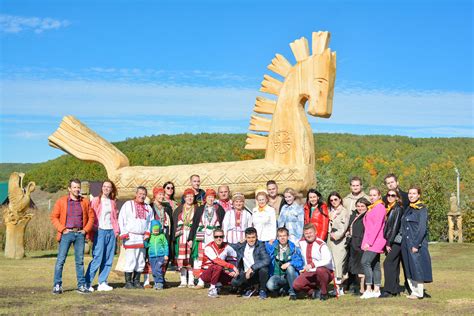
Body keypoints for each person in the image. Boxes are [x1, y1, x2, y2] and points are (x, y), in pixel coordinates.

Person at [50, 179, 94, 295]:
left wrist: (85, 230)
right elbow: (54, 217)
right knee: (60, 260)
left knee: (79, 261)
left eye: (78, 187)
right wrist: (63, 229)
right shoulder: (61, 201)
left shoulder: (85, 202)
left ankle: (81, 286)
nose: (77, 189)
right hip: (66, 234)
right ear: (69, 189)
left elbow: (91, 217)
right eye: (74, 187)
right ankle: (57, 285)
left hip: (80, 234)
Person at [85, 180, 120, 292]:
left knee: (108, 258)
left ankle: (102, 282)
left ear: (111, 189)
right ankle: (87, 282)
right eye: (104, 186)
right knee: (97, 258)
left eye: (108, 187)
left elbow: (114, 218)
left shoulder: (113, 202)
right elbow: (91, 215)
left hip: (110, 231)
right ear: (102, 188)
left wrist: (116, 231)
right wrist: (94, 227)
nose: (106, 188)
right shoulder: (96, 200)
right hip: (100, 231)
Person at [401, 186, 433, 300]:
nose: (411, 195)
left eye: (414, 193)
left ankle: (419, 293)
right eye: (410, 193)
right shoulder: (408, 208)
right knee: (408, 267)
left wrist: (416, 244)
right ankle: (413, 291)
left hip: (415, 243)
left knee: (416, 267)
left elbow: (422, 228)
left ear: (419, 195)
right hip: (405, 242)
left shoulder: (422, 208)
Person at [189, 189, 225, 287]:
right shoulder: (200, 209)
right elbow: (194, 224)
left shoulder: (219, 209)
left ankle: (215, 280)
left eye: (212, 197)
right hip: (202, 236)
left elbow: (222, 224)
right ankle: (200, 281)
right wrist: (190, 239)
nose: (210, 199)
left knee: (214, 257)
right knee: (199, 258)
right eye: (209, 197)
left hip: (214, 236)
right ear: (205, 198)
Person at [118, 186, 153, 289]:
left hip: (142, 237)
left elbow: (151, 222)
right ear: (136, 194)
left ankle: (136, 281)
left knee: (141, 259)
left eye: (144, 194)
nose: (142, 196)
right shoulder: (128, 205)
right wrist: (124, 232)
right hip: (130, 236)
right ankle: (128, 282)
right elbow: (121, 219)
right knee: (131, 259)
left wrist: (147, 232)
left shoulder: (148, 208)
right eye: (140, 194)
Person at [293, 224, 334, 300]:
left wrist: (313, 265)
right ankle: (313, 293)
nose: (308, 235)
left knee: (320, 270)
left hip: (325, 272)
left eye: (310, 233)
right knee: (296, 285)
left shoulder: (321, 244)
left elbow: (327, 260)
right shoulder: (301, 243)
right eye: (306, 233)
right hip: (309, 272)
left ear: (315, 232)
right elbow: (296, 253)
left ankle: (324, 293)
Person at [143, 187, 173, 288]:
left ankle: (161, 279)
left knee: (162, 257)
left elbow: (170, 222)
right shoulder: (149, 207)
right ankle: (146, 281)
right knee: (148, 256)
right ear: (155, 195)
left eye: (162, 194)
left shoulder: (167, 207)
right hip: (152, 235)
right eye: (159, 194)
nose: (161, 196)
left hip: (163, 234)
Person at [230, 227, 271, 299]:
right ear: (245, 238)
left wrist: (252, 268)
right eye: (248, 237)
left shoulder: (260, 245)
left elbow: (267, 260)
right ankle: (250, 288)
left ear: (257, 237)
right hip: (245, 272)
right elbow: (229, 245)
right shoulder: (241, 245)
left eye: (253, 237)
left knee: (264, 269)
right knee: (235, 282)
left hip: (256, 272)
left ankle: (262, 290)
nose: (251, 240)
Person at [360, 187, 386, 299]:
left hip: (376, 240)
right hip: (372, 240)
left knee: (365, 262)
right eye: (370, 195)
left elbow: (377, 226)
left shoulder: (379, 207)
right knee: (375, 264)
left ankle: (369, 288)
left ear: (379, 196)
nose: (372, 197)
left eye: (374, 195)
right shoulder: (372, 207)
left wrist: (369, 243)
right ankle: (377, 289)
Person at [265, 227, 304, 300]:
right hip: (276, 275)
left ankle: (293, 293)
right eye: (280, 236)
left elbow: (300, 262)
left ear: (288, 236)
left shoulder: (293, 247)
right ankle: (284, 289)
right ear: (277, 237)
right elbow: (260, 244)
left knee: (290, 268)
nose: (282, 238)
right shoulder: (272, 246)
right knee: (270, 285)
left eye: (284, 236)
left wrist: (290, 263)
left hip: (289, 275)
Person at [380, 189, 405, 298]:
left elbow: (394, 227)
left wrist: (388, 243)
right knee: (394, 264)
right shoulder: (390, 208)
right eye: (388, 195)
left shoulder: (397, 209)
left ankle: (388, 290)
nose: (390, 197)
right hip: (392, 240)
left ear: (397, 197)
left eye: (393, 195)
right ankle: (395, 289)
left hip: (395, 241)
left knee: (388, 263)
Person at [200, 228, 239, 298]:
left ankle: (219, 285)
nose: (219, 238)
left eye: (221, 236)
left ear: (223, 237)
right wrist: (232, 267)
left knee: (235, 277)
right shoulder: (208, 248)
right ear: (213, 237)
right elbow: (217, 261)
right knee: (217, 266)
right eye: (216, 237)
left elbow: (235, 257)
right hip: (207, 274)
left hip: (220, 271)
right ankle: (212, 288)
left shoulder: (227, 247)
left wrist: (232, 271)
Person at [327, 191, 350, 295]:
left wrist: (337, 236)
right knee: (333, 264)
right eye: (331, 200)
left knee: (339, 263)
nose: (333, 202)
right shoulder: (330, 211)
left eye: (335, 199)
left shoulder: (344, 211)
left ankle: (340, 287)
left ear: (340, 199)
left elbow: (344, 227)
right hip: (330, 240)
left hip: (339, 240)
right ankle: (336, 287)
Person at [173, 188, 197, 288]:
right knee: (181, 258)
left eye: (192, 196)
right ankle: (183, 280)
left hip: (191, 235)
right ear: (184, 197)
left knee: (190, 257)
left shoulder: (196, 208)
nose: (190, 198)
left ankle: (191, 280)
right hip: (181, 235)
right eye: (188, 196)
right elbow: (175, 221)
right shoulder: (179, 209)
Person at [346, 197, 370, 296]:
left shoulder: (367, 216)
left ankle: (362, 289)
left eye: (362, 206)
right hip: (353, 243)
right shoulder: (354, 215)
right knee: (355, 267)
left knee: (361, 268)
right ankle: (358, 287)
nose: (360, 208)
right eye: (358, 206)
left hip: (361, 243)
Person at [144, 220, 169, 290]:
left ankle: (160, 283)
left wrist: (166, 254)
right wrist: (145, 241)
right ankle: (156, 282)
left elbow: (166, 245)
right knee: (154, 270)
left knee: (158, 269)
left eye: (157, 230)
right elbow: (146, 246)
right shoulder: (150, 236)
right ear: (151, 230)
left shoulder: (162, 236)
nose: (156, 232)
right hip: (152, 256)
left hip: (160, 256)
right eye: (154, 230)